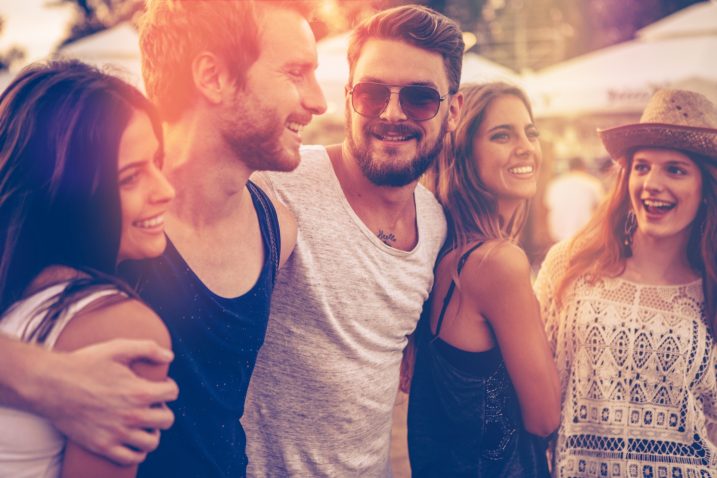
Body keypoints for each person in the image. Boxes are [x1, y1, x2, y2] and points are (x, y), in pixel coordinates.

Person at [243, 5, 464, 476]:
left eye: (421, 99)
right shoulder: (274, 187)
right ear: (347, 97)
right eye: (371, 92)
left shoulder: (437, 224)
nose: (391, 113)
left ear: (454, 109)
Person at [125, 1, 326, 477]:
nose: (319, 101)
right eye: (296, 72)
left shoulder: (279, 230)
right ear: (212, 77)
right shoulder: (101, 216)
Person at [0, 60, 175, 477]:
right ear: (63, 195)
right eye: (130, 178)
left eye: (157, 161)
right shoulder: (122, 332)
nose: (165, 191)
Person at [534, 88, 717, 477]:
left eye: (676, 169)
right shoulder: (569, 266)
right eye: (642, 166)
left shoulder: (712, 289)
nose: (652, 182)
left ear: (706, 189)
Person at [406, 82, 560, 477]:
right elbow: (544, 418)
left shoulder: (444, 255)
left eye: (531, 132)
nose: (526, 146)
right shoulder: (499, 263)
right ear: (462, 153)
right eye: (502, 135)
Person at [544, 156, 605, 242]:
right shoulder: (592, 183)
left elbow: (547, 209)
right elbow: (601, 211)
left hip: (558, 236)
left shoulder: (555, 184)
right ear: (583, 167)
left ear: (569, 168)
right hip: (584, 236)